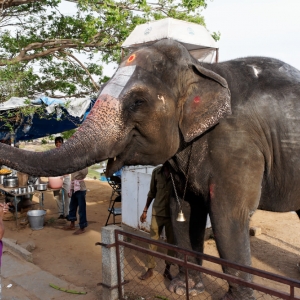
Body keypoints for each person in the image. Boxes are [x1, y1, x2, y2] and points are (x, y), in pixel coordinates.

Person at [139, 162, 174, 281]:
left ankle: (167, 269)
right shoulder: (156, 172)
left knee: (171, 243)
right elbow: (152, 192)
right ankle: (150, 269)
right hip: (157, 212)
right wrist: (145, 210)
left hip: (172, 215)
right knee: (152, 241)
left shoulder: (177, 173)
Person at [64, 167, 88, 235]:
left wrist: (79, 176)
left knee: (81, 209)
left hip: (80, 188)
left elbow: (85, 172)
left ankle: (82, 227)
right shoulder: (75, 164)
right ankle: (72, 224)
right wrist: (70, 189)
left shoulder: (82, 164)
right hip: (74, 188)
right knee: (72, 207)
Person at [53, 136, 71, 220]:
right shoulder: (53, 153)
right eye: (56, 143)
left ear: (62, 143)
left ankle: (67, 213)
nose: (58, 144)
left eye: (59, 142)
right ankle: (61, 213)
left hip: (66, 177)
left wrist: (66, 172)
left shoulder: (67, 153)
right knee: (57, 196)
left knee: (68, 195)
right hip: (56, 178)